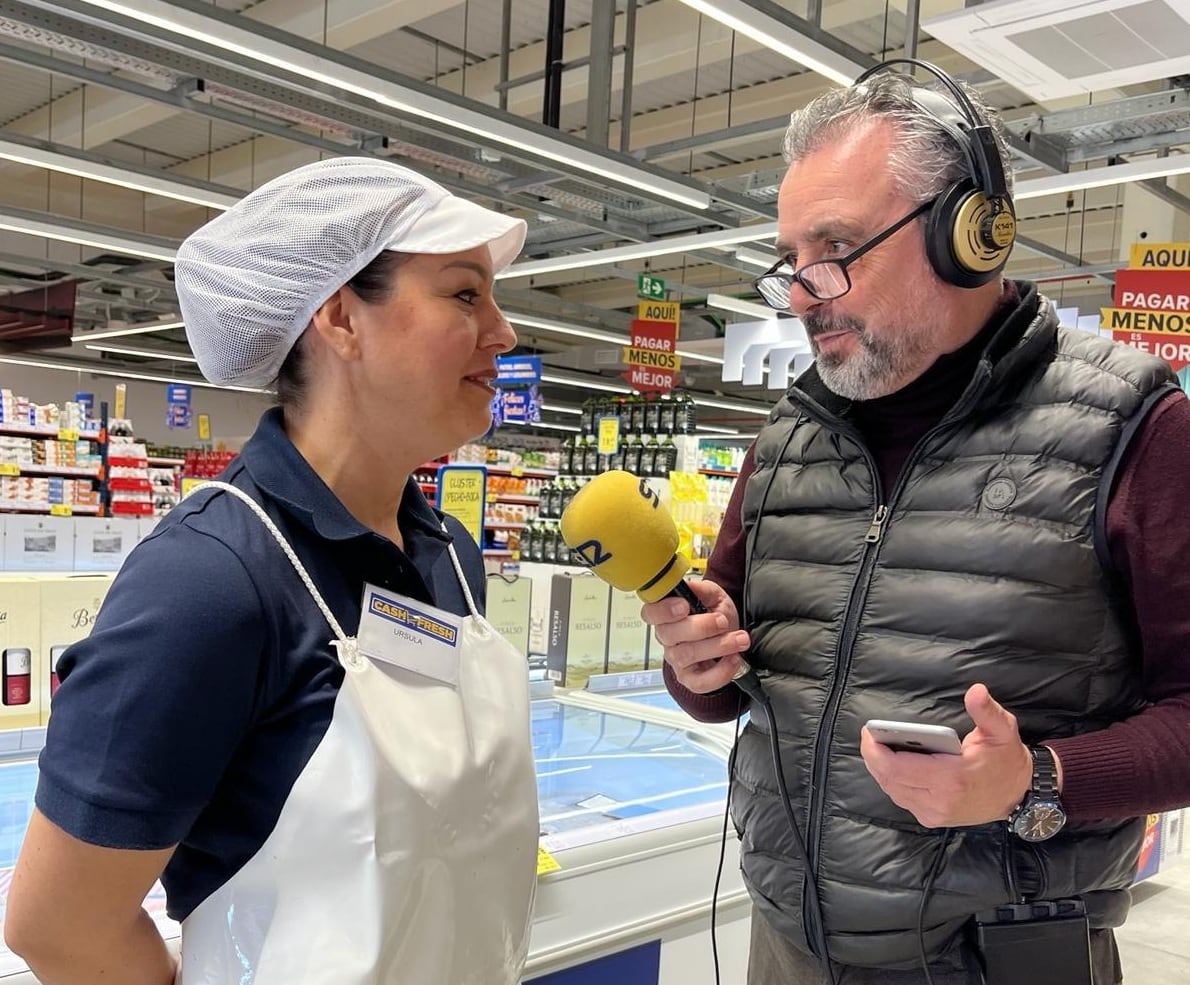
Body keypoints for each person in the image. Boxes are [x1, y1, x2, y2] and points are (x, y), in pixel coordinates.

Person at [644, 65, 1190, 985]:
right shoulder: (787, 439)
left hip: (1005, 961)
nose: (804, 293)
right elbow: (726, 683)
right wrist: (694, 664)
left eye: (837, 248)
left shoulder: (1134, 426)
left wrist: (1034, 781)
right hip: (787, 944)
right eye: (790, 261)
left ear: (967, 234)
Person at [4, 157, 540, 985]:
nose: (504, 332)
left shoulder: (449, 557)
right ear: (340, 318)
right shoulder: (210, 583)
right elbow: (59, 926)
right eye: (466, 294)